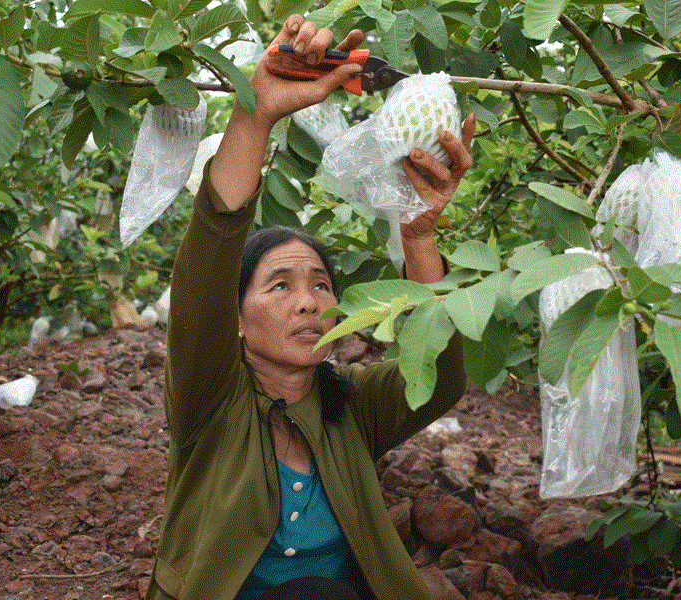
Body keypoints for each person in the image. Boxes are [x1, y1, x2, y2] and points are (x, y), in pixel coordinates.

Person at [145, 14, 476, 600]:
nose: (308, 303)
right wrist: (257, 113)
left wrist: (419, 237)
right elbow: (210, 255)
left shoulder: (352, 404)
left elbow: (441, 376)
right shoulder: (210, 399)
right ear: (237, 319)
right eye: (279, 286)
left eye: (321, 285)